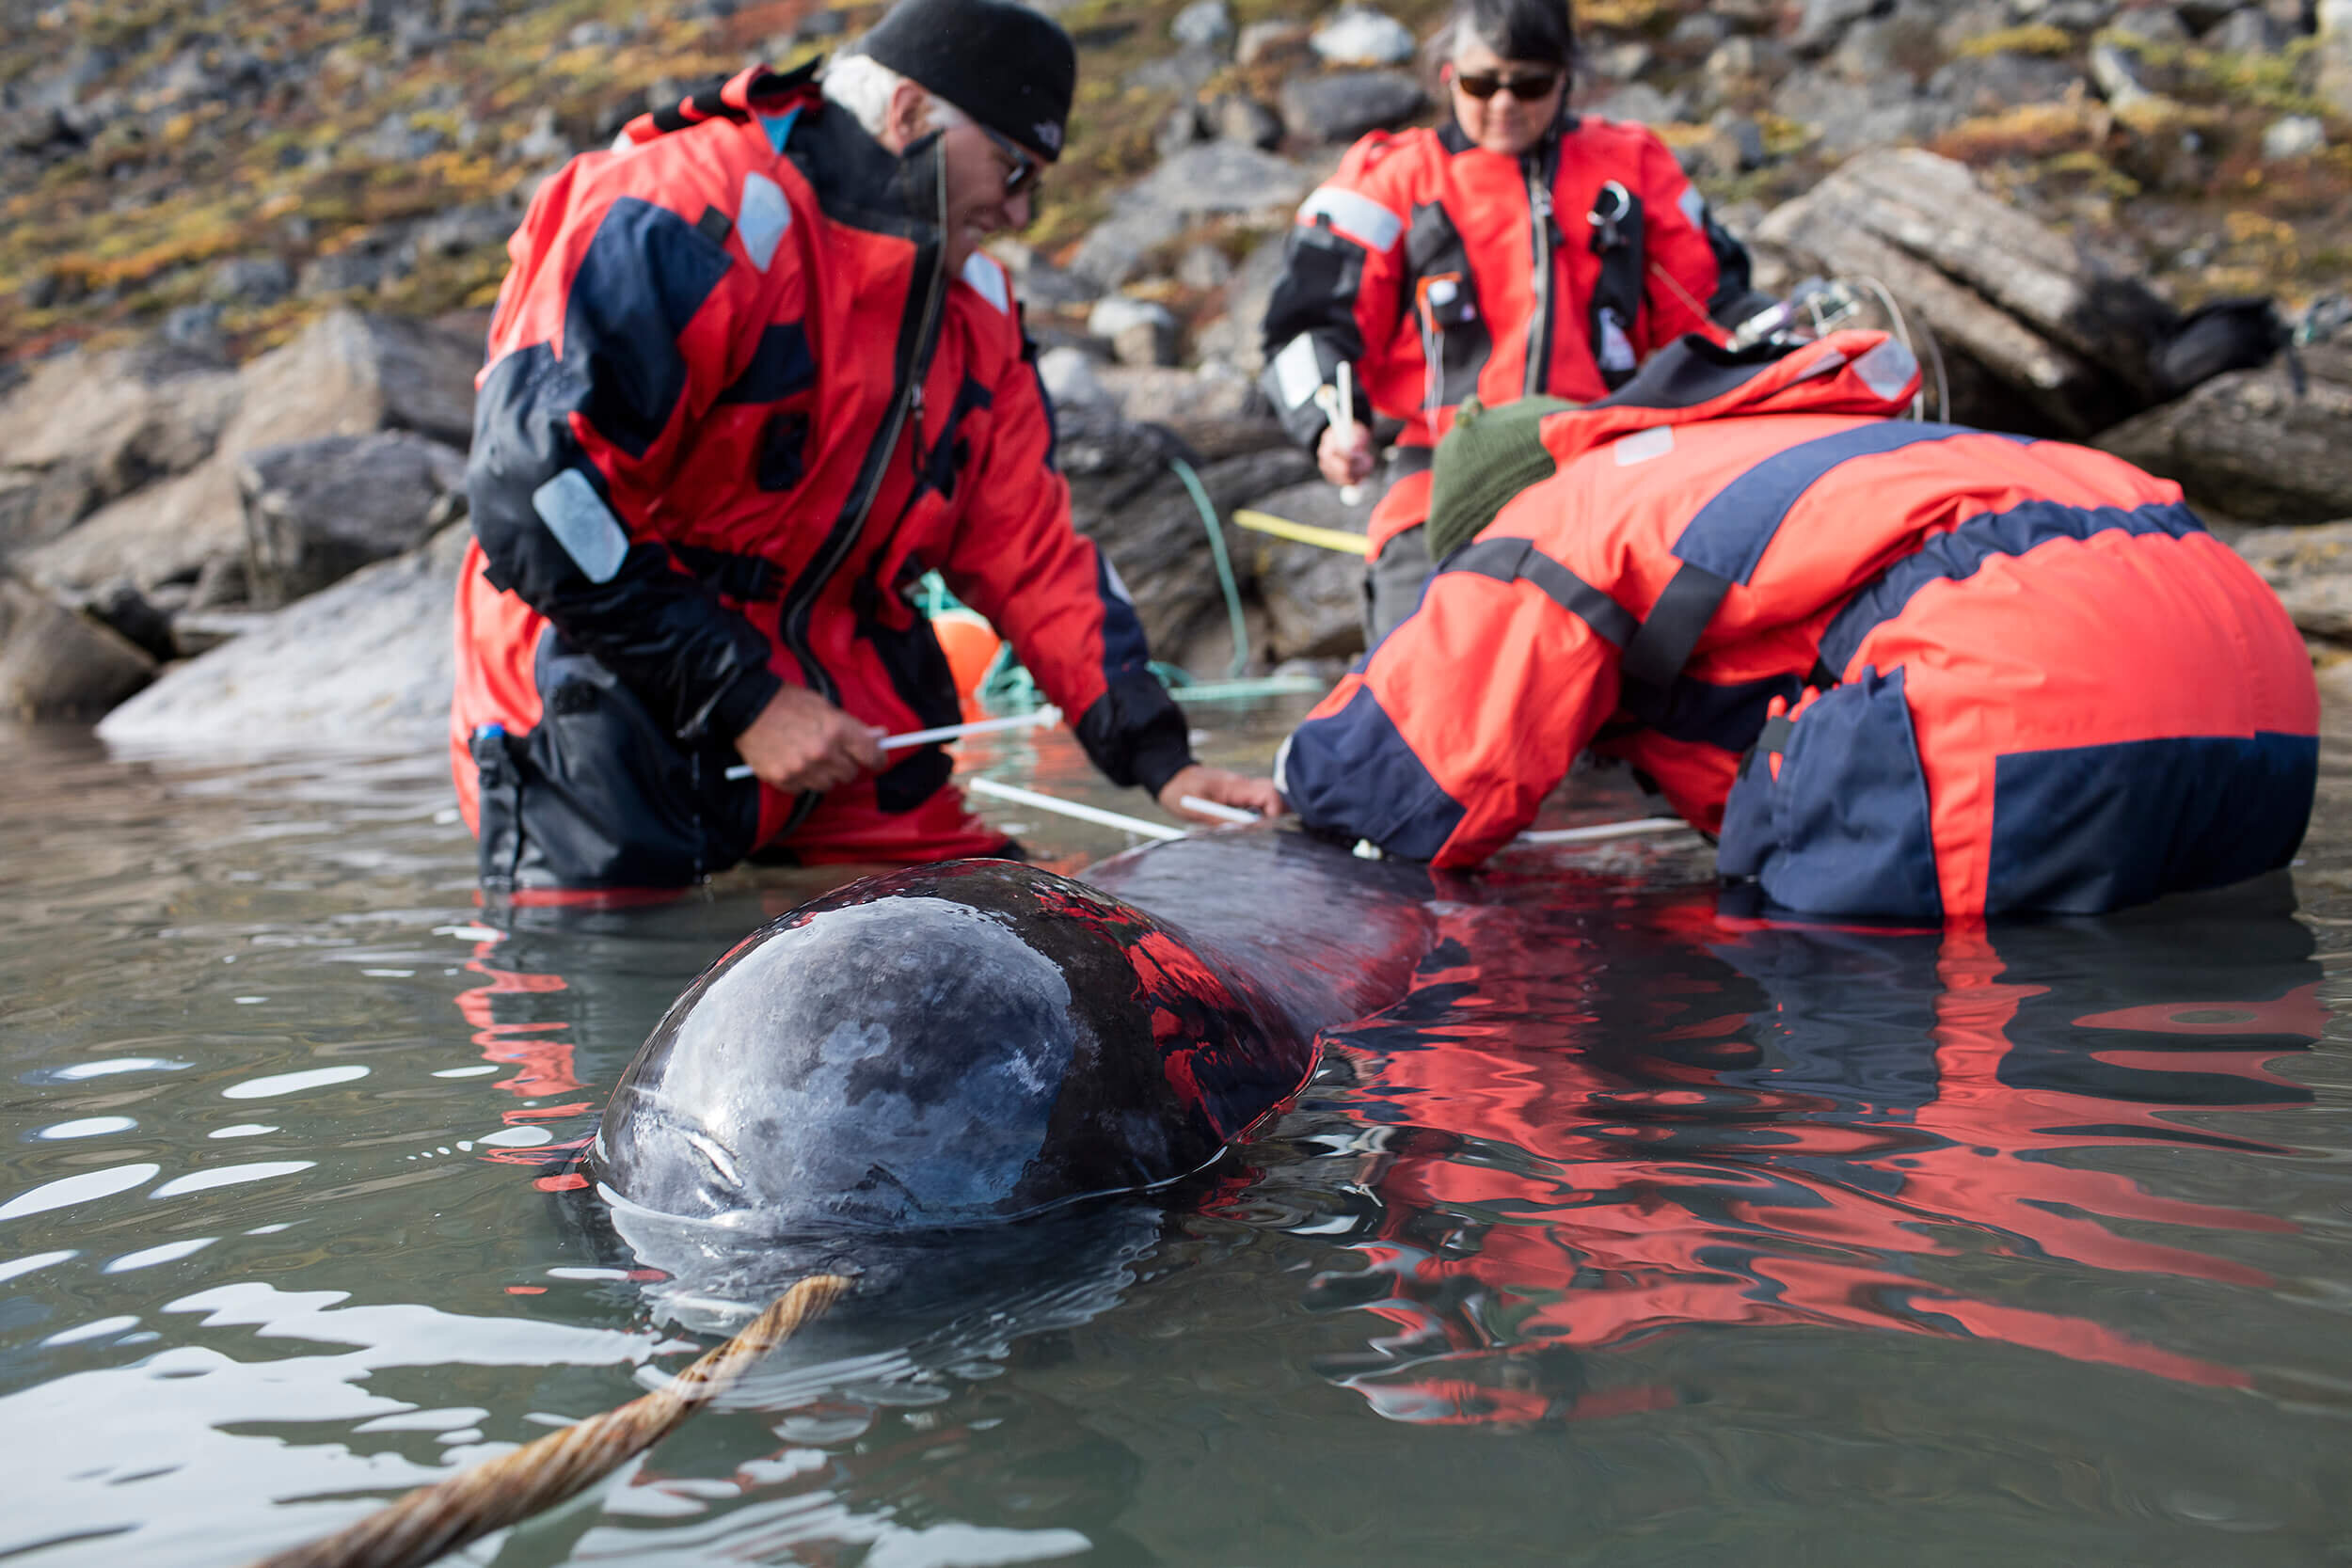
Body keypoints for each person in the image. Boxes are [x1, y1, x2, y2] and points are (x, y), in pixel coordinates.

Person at [449, 0, 1279, 895]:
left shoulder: (975, 310)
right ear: (912, 112)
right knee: (622, 994)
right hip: (608, 700)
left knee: (1031, 934)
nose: (1021, 210)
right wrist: (747, 702)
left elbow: (1032, 556)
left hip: (844, 730)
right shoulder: (684, 208)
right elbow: (533, 489)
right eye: (1012, 167)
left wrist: (1162, 760)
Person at [1273, 327, 2320, 920]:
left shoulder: (1551, 514)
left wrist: (1286, 782)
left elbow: (1402, 785)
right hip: (2261, 693)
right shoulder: (1762, 452)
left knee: (1817, 989)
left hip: (2024, 705)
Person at [1258, 0, 1761, 643]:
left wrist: (1782, 352)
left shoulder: (1633, 167)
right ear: (1446, 76)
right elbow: (1305, 325)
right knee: (1412, 675)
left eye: (1529, 84)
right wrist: (1330, 420)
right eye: (1481, 83)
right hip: (1438, 475)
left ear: (1564, 81)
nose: (1503, 103)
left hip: (1604, 465)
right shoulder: (1390, 179)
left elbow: (1713, 309)